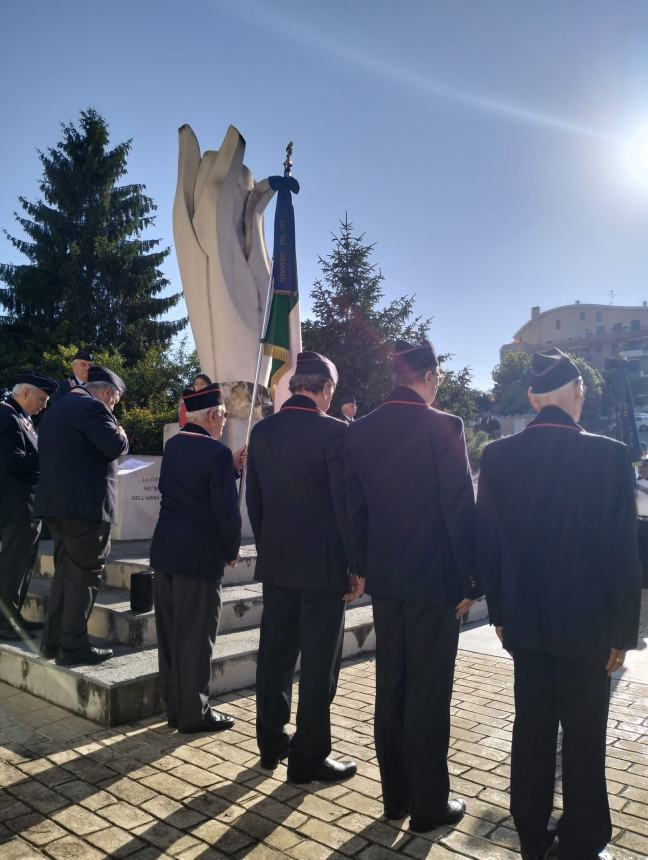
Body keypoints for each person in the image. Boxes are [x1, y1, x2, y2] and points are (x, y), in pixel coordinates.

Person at [476, 347, 641, 860]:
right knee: (585, 736)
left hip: (524, 622)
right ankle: (584, 839)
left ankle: (530, 834)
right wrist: (623, 632)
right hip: (589, 627)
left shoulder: (498, 456)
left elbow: (488, 545)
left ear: (530, 396)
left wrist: (500, 614)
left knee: (531, 730)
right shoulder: (610, 456)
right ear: (577, 393)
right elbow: (621, 553)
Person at [345, 339, 480, 832]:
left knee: (392, 686)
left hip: (388, 579)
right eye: (438, 376)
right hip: (435, 581)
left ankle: (395, 798)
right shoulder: (444, 425)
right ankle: (428, 805)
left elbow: (353, 508)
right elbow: (458, 506)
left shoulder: (359, 431)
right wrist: (472, 576)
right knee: (428, 693)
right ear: (428, 376)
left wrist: (360, 565)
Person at [246, 351, 359, 784]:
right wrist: (356, 563)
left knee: (274, 656)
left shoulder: (263, 431)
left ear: (295, 386)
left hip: (277, 564)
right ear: (325, 389)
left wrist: (270, 545)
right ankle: (308, 757)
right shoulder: (335, 432)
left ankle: (271, 743)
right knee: (318, 664)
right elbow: (345, 506)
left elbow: (253, 501)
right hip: (323, 569)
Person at [151, 383, 244, 734]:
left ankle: (175, 708)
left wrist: (230, 468)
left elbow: (190, 487)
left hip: (167, 551)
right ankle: (195, 713)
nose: (223, 423)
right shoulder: (216, 453)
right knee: (197, 636)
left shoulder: (173, 446)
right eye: (222, 416)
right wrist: (233, 549)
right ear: (213, 415)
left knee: (172, 635)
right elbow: (225, 511)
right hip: (200, 555)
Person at [36, 366, 129, 665]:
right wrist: (121, 431)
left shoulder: (56, 410)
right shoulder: (93, 408)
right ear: (106, 392)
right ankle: (73, 647)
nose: (113, 406)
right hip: (85, 509)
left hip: (58, 508)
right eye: (114, 401)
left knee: (65, 575)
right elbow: (114, 445)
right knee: (85, 576)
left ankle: (52, 642)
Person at [0, 372, 58, 639]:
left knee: (23, 563)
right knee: (14, 563)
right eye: (41, 399)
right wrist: (48, 458)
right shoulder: (7, 416)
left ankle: (14, 617)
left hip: (25, 505)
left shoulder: (21, 417)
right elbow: (12, 462)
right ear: (25, 393)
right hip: (17, 506)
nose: (43, 405)